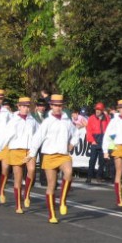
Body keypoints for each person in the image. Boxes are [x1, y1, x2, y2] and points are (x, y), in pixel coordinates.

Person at [26, 94, 79, 224]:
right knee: (51, 185)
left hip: (63, 154)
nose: (58, 108)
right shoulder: (47, 122)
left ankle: (62, 201)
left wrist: (72, 144)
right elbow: (38, 138)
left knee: (69, 172)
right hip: (49, 155)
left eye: (60, 105)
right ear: (51, 106)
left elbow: (76, 133)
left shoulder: (67, 120)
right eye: (55, 105)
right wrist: (32, 153)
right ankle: (52, 215)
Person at [0, 97, 40, 214]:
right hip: (15, 150)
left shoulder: (32, 120)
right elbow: (5, 136)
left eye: (27, 106)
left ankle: (27, 194)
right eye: (23, 106)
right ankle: (18, 205)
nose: (25, 108)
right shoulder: (13, 120)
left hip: (29, 150)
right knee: (17, 178)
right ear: (18, 106)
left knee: (32, 169)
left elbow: (40, 133)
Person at [85, 102, 110, 184]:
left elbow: (110, 131)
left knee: (102, 161)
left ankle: (99, 176)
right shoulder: (91, 118)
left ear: (102, 110)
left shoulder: (107, 118)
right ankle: (89, 177)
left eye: (99, 110)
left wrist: (110, 143)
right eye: (96, 109)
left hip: (103, 141)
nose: (97, 111)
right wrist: (92, 140)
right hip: (95, 141)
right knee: (92, 160)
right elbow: (88, 131)